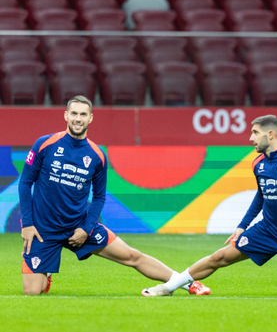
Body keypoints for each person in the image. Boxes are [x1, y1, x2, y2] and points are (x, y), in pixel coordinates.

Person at [19, 95, 210, 296]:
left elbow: (99, 197)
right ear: (66, 115)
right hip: (43, 229)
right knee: (32, 292)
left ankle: (189, 284)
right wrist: (28, 224)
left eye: (83, 114)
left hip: (79, 226)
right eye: (74, 113)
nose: (78, 118)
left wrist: (85, 229)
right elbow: (25, 183)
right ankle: (46, 275)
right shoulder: (44, 144)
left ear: (90, 118)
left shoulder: (97, 155)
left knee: (131, 255)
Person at [142, 115, 277, 297]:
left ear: (270, 134)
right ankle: (168, 287)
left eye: (255, 132)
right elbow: (260, 196)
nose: (250, 138)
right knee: (219, 257)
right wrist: (242, 226)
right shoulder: (258, 163)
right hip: (267, 231)